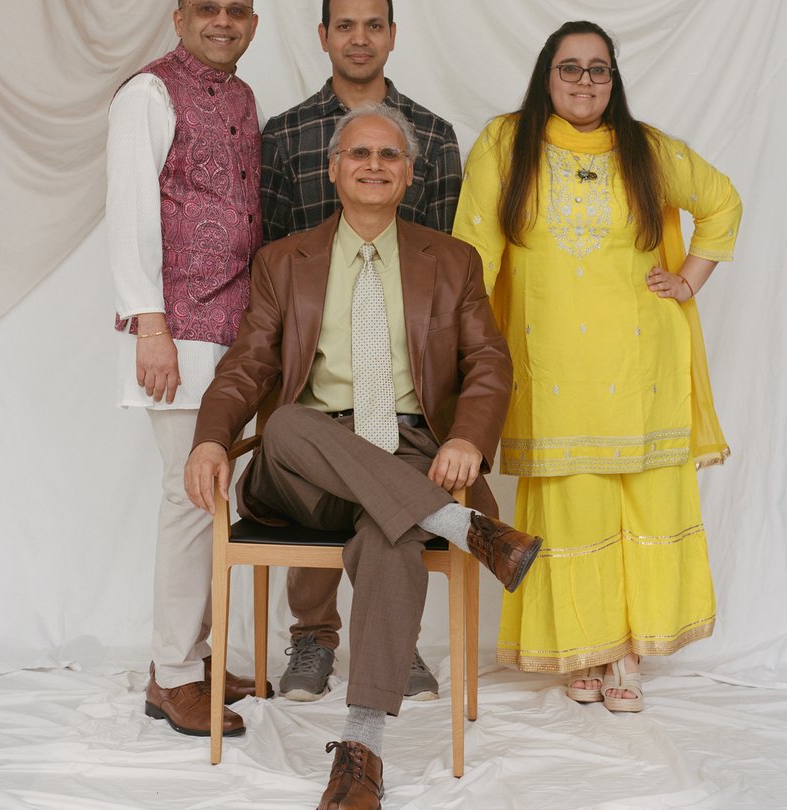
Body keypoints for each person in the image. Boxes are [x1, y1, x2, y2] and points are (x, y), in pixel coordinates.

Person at [184, 103, 542, 809]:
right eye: (359, 154)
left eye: (388, 156)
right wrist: (210, 435)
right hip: (306, 460)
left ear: (410, 173)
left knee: (390, 533)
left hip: (411, 451)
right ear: (333, 168)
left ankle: (361, 752)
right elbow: (247, 365)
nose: (373, 165)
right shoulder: (285, 262)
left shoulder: (453, 261)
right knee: (286, 421)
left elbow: (490, 362)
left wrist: (468, 438)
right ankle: (465, 529)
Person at [453, 20, 741, 712]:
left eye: (599, 69)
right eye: (570, 67)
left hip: (641, 360)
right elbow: (474, 244)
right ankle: (585, 650)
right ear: (545, 76)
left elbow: (722, 203)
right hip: (550, 361)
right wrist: (464, 335)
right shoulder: (505, 141)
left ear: (614, 80)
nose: (585, 81)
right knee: (574, 502)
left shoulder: (646, 149)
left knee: (637, 496)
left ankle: (627, 656)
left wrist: (690, 279)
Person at [261, 0, 463, 703]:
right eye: (343, 24)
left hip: (399, 368)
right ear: (322, 36)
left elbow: (440, 261)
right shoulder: (285, 134)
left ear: (392, 34)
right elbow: (271, 248)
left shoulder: (432, 136)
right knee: (317, 438)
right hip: (314, 358)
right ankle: (314, 640)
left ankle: (392, 638)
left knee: (384, 471)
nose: (358, 37)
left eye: (373, 24)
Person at [105, 0, 265, 738]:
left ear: (253, 24)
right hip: (177, 330)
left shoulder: (241, 96)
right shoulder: (149, 93)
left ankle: (191, 659)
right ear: (179, 18)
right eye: (207, 8)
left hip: (235, 329)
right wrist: (151, 325)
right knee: (189, 497)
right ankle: (172, 677)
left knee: (214, 498)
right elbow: (131, 208)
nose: (222, 21)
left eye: (236, 10)